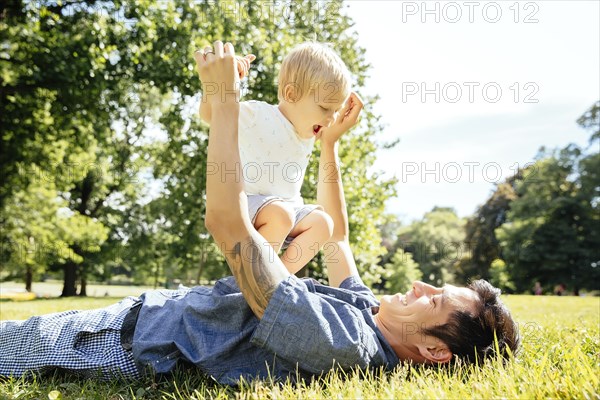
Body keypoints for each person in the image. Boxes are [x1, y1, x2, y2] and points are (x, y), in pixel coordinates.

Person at [0, 41, 520, 385]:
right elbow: (336, 239)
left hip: (138, 343)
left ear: (434, 352)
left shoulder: (349, 344)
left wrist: (224, 102)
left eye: (437, 302)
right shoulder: (369, 315)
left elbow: (228, 224)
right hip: (154, 314)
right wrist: (330, 145)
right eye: (439, 285)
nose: (424, 286)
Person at [198, 42, 352, 274]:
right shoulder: (259, 114)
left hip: (288, 208)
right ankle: (256, 279)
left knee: (323, 223)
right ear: (291, 94)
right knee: (279, 215)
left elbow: (330, 138)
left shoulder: (309, 132)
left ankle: (279, 279)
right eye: (324, 108)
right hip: (251, 203)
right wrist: (222, 83)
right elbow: (212, 114)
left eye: (336, 111)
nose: (331, 118)